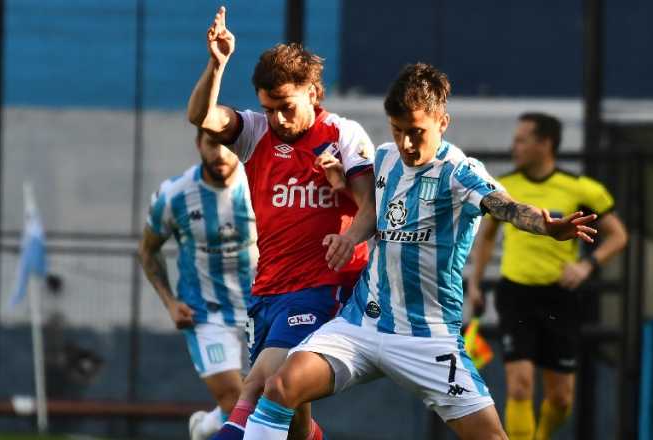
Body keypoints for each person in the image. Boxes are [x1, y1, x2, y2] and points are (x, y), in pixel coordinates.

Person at [240, 63, 598, 440]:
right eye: (398, 132)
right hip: (361, 324)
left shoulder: (459, 171)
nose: (407, 144)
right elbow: (373, 212)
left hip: (427, 338)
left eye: (416, 133)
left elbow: (503, 205)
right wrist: (351, 238)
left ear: (443, 122)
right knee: (279, 388)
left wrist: (544, 226)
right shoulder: (384, 158)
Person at [187, 7, 376, 440]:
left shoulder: (343, 135)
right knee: (290, 411)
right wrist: (217, 64)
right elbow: (202, 116)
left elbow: (371, 207)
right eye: (269, 109)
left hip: (323, 287)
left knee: (256, 387)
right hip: (269, 288)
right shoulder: (255, 134)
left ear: (313, 92)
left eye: (286, 108)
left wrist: (347, 232)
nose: (279, 120)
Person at [465, 112, 629, 440]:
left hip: (560, 298)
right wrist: (475, 283)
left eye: (522, 139)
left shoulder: (581, 189)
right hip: (516, 295)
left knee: (560, 397)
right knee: (520, 385)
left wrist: (586, 266)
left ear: (545, 143)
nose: (515, 146)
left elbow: (618, 236)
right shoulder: (505, 188)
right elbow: (485, 237)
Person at [138, 130, 255, 440]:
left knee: (263, 402)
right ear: (198, 144)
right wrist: (170, 302)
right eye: (212, 143)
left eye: (228, 145)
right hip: (205, 314)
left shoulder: (261, 183)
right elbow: (148, 250)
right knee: (236, 399)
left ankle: (205, 427)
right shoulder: (175, 194)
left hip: (260, 309)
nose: (220, 153)